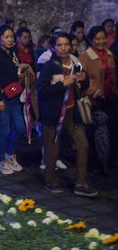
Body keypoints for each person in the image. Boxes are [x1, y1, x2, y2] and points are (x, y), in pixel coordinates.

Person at [37, 32, 98, 197]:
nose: (63, 48)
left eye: (66, 44)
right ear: (53, 47)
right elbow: (42, 91)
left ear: (71, 46)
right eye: (59, 45)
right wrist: (62, 84)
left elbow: (83, 84)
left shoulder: (75, 62)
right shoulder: (49, 66)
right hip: (54, 114)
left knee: (83, 144)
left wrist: (83, 80)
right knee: (52, 148)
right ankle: (50, 180)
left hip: (72, 112)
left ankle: (81, 182)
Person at [0, 25, 27, 175]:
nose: (10, 40)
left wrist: (19, 76)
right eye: (6, 37)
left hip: (13, 96)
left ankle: (10, 154)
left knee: (20, 127)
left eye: (12, 37)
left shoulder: (13, 51)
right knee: (4, 129)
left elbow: (13, 69)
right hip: (1, 97)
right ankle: (0, 161)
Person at [79, 26, 118, 172]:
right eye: (98, 38)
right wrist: (94, 92)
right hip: (95, 99)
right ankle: (95, 164)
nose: (101, 41)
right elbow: (82, 81)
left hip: (110, 97)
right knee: (95, 132)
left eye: (103, 38)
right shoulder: (85, 58)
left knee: (112, 129)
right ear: (91, 40)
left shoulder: (109, 54)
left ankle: (110, 160)